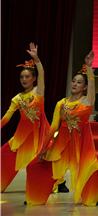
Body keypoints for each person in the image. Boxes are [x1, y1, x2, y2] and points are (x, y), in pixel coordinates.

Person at [36, 50, 98, 206]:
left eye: (79, 82)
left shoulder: (87, 102)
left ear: (85, 87)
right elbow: (54, 127)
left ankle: (94, 196)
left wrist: (89, 67)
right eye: (73, 81)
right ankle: (37, 194)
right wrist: (44, 147)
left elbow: (92, 86)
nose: (74, 84)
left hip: (82, 143)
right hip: (62, 143)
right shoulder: (61, 103)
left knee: (91, 167)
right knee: (46, 165)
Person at [1, 43, 55, 205]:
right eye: (21, 77)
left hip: (39, 135)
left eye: (27, 77)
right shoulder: (17, 98)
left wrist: (36, 59)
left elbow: (42, 73)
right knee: (3, 154)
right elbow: (6, 117)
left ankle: (45, 187)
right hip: (22, 136)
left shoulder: (38, 91)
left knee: (40, 163)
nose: (24, 79)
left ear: (33, 78)